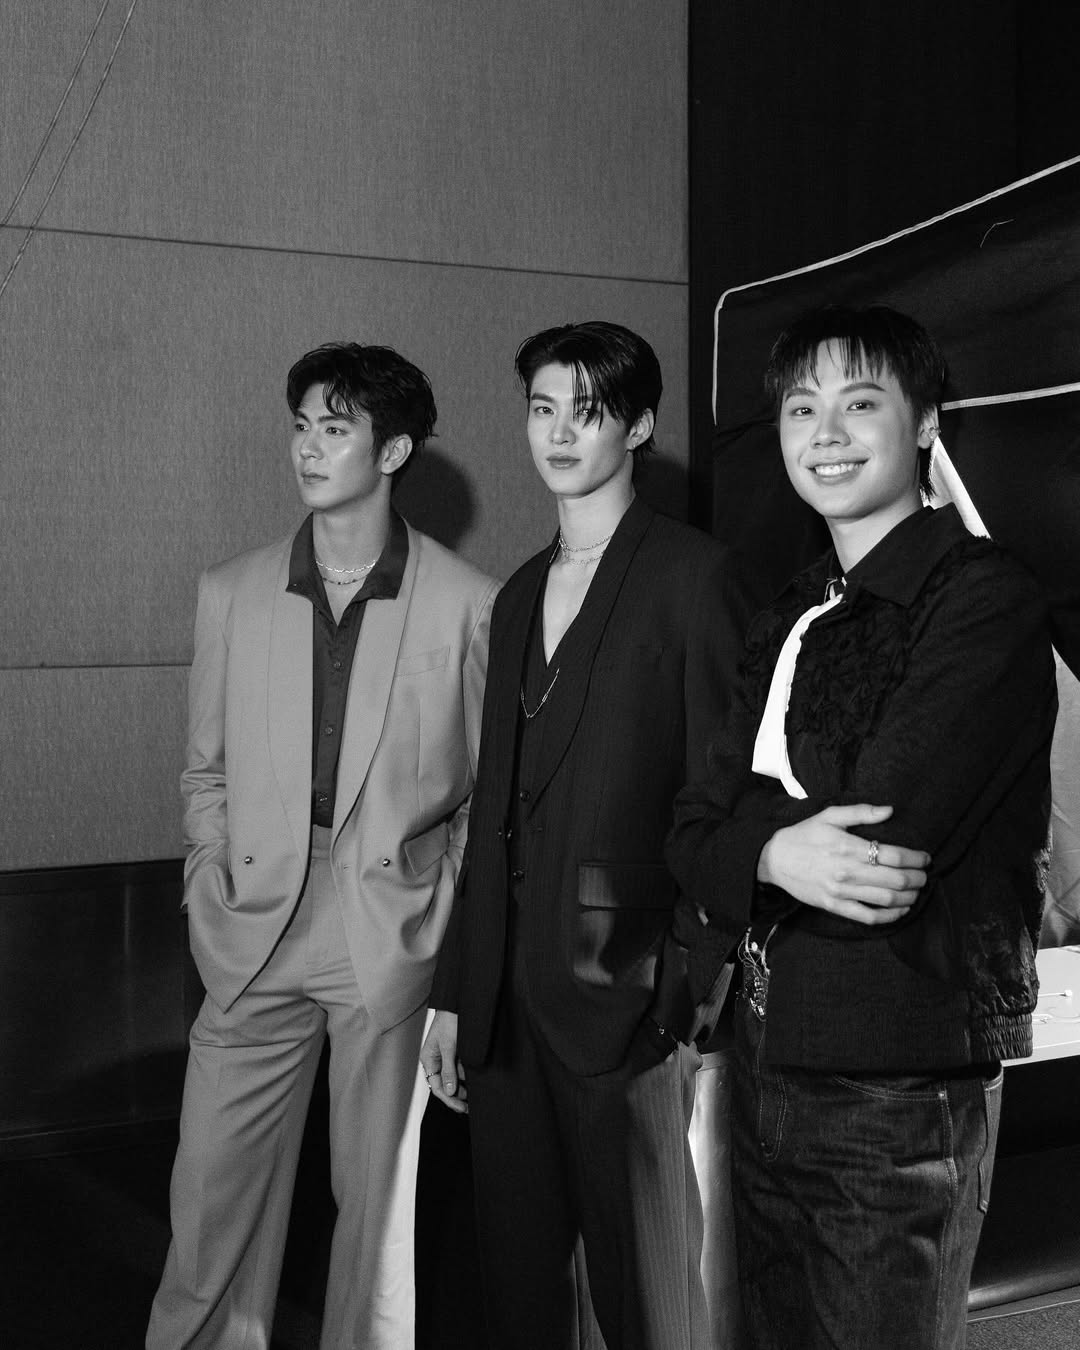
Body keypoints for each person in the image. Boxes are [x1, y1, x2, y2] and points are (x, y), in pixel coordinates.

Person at [666, 304, 1057, 1350]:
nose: (826, 434)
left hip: (896, 1081)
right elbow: (690, 828)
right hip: (764, 1055)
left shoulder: (984, 597)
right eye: (802, 409)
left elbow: (883, 821)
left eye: (860, 403)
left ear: (925, 423)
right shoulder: (792, 607)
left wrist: (746, 842)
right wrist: (771, 850)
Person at [147, 343, 497, 1350]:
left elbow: (485, 800)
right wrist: (207, 885)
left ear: (393, 451)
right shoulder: (231, 590)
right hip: (252, 921)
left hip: (388, 930)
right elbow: (205, 771)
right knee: (209, 1199)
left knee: (377, 1225)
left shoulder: (470, 603)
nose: (306, 447)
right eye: (301, 425)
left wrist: (444, 932)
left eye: (334, 428)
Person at [421, 320, 752, 1350]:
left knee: (652, 1305)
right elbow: (493, 805)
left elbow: (724, 796)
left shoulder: (695, 577)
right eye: (543, 408)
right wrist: (454, 991)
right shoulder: (518, 591)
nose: (561, 432)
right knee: (521, 1300)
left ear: (639, 425)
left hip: (631, 995)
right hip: (504, 1003)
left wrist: (687, 992)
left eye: (590, 410)